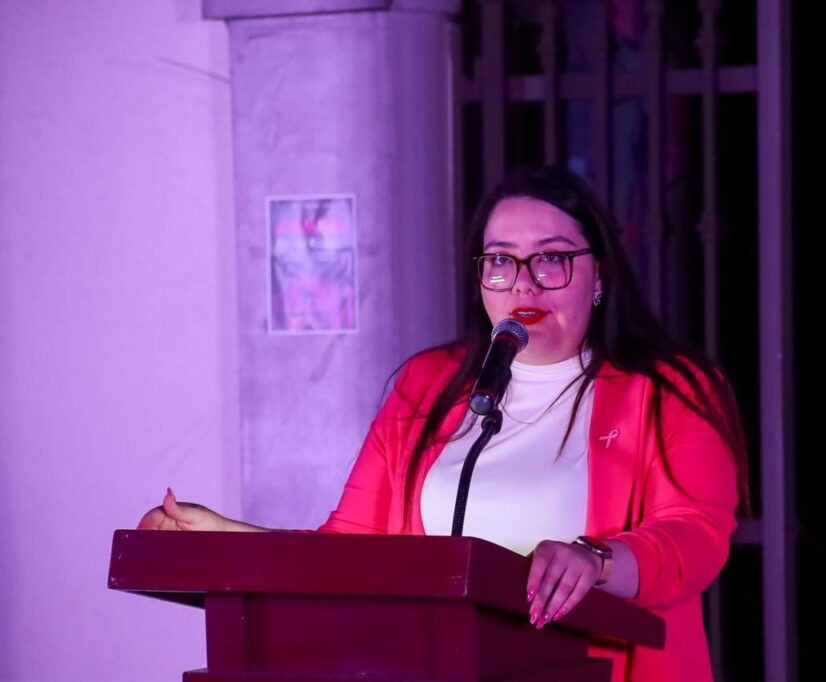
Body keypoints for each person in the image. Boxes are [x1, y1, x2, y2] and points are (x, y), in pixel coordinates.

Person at [139, 166, 746, 682]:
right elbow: (351, 552)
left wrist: (597, 560)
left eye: (552, 258)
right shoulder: (428, 386)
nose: (524, 281)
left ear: (600, 275)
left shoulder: (670, 390)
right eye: (500, 261)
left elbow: (694, 536)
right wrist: (226, 537)